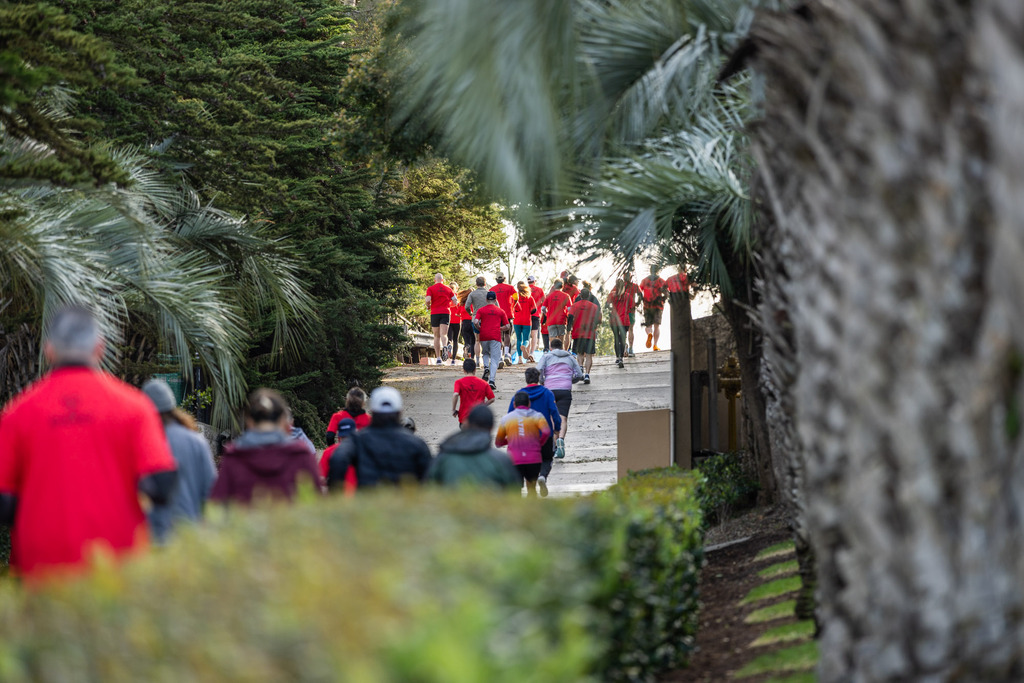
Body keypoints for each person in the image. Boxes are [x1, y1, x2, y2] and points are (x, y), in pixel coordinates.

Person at [0, 306, 178, 580]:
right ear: (100, 348)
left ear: (49, 351)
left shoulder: (17, 414)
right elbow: (162, 484)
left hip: (41, 572)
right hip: (117, 569)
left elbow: (4, 501)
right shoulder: (135, 408)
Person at [211, 389, 323, 505]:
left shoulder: (233, 458)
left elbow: (217, 505)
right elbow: (317, 504)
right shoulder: (301, 456)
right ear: (283, 421)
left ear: (249, 422)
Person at [142, 379, 218, 544]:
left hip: (154, 536)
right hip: (190, 535)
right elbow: (212, 491)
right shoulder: (196, 441)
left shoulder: (144, 443)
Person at [327, 387, 433, 489]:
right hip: (402, 498)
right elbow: (429, 477)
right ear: (400, 412)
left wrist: (336, 490)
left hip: (368, 496)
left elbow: (338, 458)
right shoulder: (417, 444)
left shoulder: (357, 440)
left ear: (372, 411)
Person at [426, 405, 520, 490]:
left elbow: (428, 486)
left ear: (467, 424)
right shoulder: (501, 460)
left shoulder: (444, 457)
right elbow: (513, 493)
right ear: (491, 428)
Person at [506, 367, 561, 497]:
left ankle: (529, 490)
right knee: (546, 459)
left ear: (526, 379)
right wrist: (557, 429)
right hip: (544, 435)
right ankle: (542, 476)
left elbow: (510, 415)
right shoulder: (547, 393)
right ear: (539, 378)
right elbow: (555, 413)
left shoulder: (519, 395)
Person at [495, 391, 551, 496]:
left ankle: (518, 506)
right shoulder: (537, 416)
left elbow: (498, 442)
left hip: (514, 459)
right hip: (533, 458)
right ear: (529, 403)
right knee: (532, 488)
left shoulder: (506, 419)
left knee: (516, 490)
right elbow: (546, 431)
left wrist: (510, 439)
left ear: (514, 404)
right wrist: (539, 443)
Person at [537, 337, 583, 461]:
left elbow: (538, 370)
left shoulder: (546, 357)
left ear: (551, 347)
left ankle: (555, 446)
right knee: (563, 419)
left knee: (552, 419)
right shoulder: (570, 358)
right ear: (562, 347)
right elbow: (579, 374)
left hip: (550, 391)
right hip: (565, 391)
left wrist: (542, 381)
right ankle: (561, 439)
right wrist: (570, 381)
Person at [472, 291, 511, 390]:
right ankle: (492, 381)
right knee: (494, 359)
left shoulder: (481, 310)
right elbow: (507, 326)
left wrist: (479, 327)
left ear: (486, 300)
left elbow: (475, 321)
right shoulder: (501, 311)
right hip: (495, 336)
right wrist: (500, 328)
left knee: (485, 353)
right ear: (495, 300)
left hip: (484, 335)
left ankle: (486, 367)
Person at [567, 282, 602, 384]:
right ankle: (587, 374)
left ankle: (581, 367)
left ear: (580, 296)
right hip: (590, 333)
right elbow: (598, 319)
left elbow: (570, 317)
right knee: (589, 355)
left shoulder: (574, 306)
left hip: (578, 333)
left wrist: (569, 329)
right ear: (589, 295)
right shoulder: (594, 307)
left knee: (580, 353)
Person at [453, 358, 495, 427]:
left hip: (464, 418)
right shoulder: (484, 383)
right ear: (475, 370)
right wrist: (482, 405)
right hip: (479, 418)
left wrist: (453, 409)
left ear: (464, 370)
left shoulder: (459, 382)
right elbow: (492, 399)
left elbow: (455, 394)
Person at [425, 273, 455, 365]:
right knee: (444, 334)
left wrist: (428, 306)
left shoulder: (431, 288)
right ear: (443, 280)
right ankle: (445, 346)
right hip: (445, 312)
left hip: (435, 312)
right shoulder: (448, 289)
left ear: (435, 280)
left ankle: (438, 358)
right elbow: (455, 301)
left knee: (436, 336)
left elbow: (427, 299)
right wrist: (449, 305)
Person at [489, 274, 516, 365]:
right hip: (508, 314)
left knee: (499, 336)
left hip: (496, 314)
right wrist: (513, 306)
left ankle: (500, 356)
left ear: (496, 280)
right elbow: (516, 297)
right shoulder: (510, 287)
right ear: (504, 279)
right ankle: (507, 354)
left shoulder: (492, 289)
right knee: (507, 334)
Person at [606, 277, 632, 368]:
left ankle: (618, 357)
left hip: (614, 320)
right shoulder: (628, 296)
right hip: (624, 320)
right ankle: (621, 358)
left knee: (616, 339)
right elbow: (631, 308)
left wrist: (612, 309)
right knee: (622, 339)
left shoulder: (612, 295)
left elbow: (606, 305)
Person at [640, 266, 668, 351]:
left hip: (647, 305)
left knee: (648, 325)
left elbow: (639, 291)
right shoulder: (661, 281)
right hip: (658, 306)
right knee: (657, 326)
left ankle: (649, 333)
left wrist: (641, 300)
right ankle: (655, 345)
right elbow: (666, 292)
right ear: (657, 271)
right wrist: (664, 299)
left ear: (650, 271)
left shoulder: (644, 281)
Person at [463, 276, 489, 364]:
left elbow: (467, 306)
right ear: (485, 284)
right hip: (487, 319)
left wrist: (471, 313)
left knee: (477, 341)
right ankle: (486, 360)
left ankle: (477, 361)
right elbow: (497, 306)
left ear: (476, 284)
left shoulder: (472, 294)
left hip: (476, 319)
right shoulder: (489, 293)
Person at [541, 279, 571, 350]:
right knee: (561, 341)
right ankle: (561, 354)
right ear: (562, 286)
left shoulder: (549, 296)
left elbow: (543, 308)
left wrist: (546, 314)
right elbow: (570, 309)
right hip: (561, 320)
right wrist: (566, 314)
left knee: (552, 341)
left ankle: (553, 353)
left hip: (551, 320)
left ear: (554, 286)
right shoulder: (566, 296)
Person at [511, 281, 536, 364]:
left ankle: (520, 359)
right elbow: (535, 309)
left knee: (518, 339)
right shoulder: (529, 297)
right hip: (526, 321)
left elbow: (512, 307)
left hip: (517, 320)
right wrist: (528, 312)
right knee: (526, 339)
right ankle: (524, 346)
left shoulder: (514, 298)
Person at [623, 272, 642, 357]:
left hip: (622, 311)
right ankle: (631, 348)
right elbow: (641, 295)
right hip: (631, 310)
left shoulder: (620, 286)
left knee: (623, 330)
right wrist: (637, 303)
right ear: (630, 278)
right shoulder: (634, 286)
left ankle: (624, 348)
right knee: (631, 329)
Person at [454, 288, 475, 364]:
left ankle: (466, 347)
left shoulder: (462, 303)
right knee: (473, 340)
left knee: (467, 340)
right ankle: (472, 357)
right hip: (472, 322)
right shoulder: (474, 303)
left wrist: (462, 315)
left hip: (464, 323)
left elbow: (457, 313)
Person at [527, 275, 545, 360]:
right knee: (534, 335)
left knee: (526, 335)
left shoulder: (525, 290)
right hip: (536, 314)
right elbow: (544, 302)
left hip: (526, 315)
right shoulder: (539, 290)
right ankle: (532, 353)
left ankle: (527, 354)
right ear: (534, 281)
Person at [446, 282, 464, 364]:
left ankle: (449, 345)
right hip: (457, 320)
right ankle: (453, 360)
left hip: (449, 320)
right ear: (456, 288)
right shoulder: (459, 297)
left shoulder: (447, 296)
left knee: (449, 338)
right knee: (456, 340)